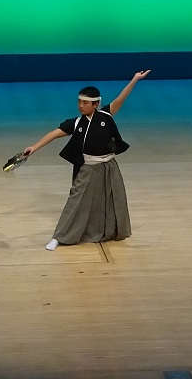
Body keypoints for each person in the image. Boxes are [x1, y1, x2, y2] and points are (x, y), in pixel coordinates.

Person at [20, 70, 150, 250]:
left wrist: (135, 79)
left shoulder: (106, 115)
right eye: (79, 102)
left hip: (109, 166)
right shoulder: (76, 123)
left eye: (85, 103)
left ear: (95, 104)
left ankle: (108, 232)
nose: (81, 106)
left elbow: (121, 98)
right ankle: (59, 237)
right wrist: (34, 147)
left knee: (112, 199)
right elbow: (54, 133)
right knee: (75, 201)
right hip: (87, 167)